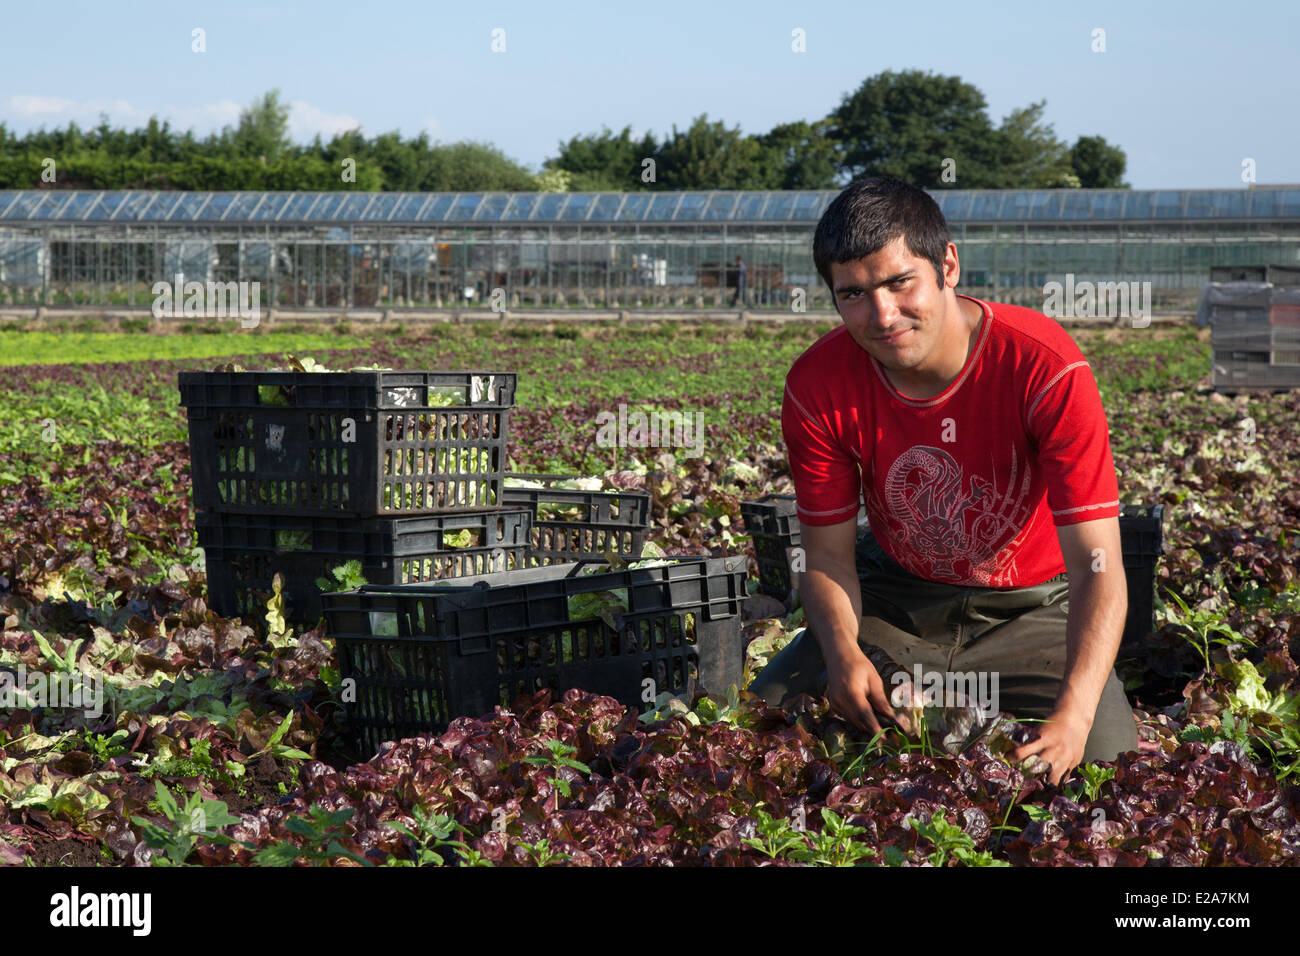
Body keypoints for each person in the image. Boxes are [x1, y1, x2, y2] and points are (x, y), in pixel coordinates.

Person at [748, 176, 1139, 785]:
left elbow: (1098, 564)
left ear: (947, 265)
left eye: (899, 282)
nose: (882, 315)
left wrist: (1075, 713)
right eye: (852, 294)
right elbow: (827, 559)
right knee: (766, 718)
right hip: (898, 602)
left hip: (1031, 610)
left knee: (1107, 762)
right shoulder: (817, 385)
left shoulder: (1044, 366)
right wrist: (843, 653)